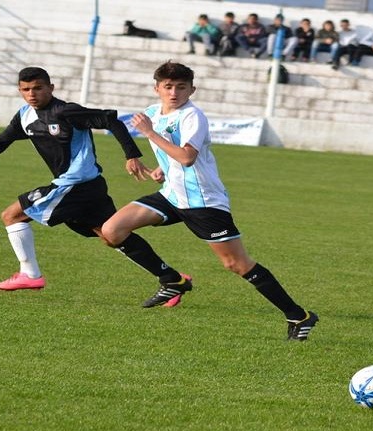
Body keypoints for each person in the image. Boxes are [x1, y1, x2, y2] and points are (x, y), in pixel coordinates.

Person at [99, 62, 319, 341]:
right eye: (168, 86)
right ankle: (172, 280)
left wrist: (150, 134)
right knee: (112, 230)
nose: (174, 92)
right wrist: (162, 169)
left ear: (192, 89)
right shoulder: (153, 112)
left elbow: (188, 158)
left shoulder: (192, 117)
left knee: (236, 264)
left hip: (202, 201)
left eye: (181, 87)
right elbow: (174, 158)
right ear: (157, 88)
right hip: (171, 195)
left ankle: (299, 316)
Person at [0, 67, 149, 290]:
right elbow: (5, 138)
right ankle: (171, 277)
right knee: (111, 235)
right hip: (90, 187)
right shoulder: (25, 115)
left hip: (75, 184)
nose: (32, 94)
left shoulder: (66, 112)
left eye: (38, 88)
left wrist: (132, 155)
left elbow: (111, 121)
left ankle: (30, 275)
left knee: (12, 215)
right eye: (26, 89)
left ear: (51, 88)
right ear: (20, 91)